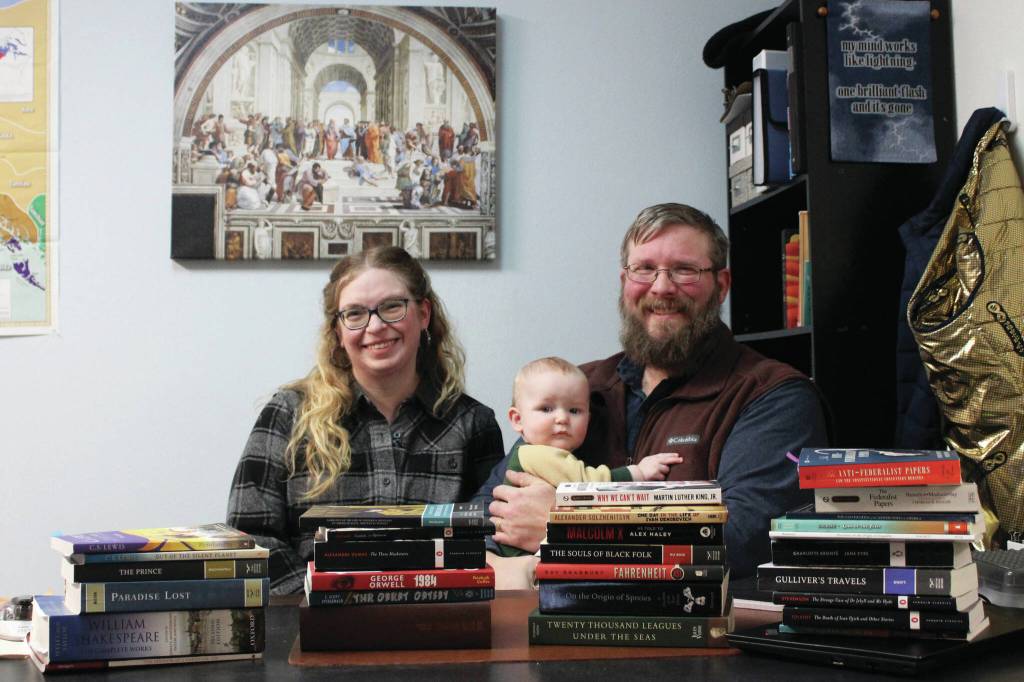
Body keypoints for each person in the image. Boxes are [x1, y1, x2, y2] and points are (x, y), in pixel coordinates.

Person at [478, 203, 827, 583]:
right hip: (555, 614)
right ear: (624, 282)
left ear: (722, 285)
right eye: (644, 269)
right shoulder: (580, 389)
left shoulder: (772, 396)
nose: (661, 287)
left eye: (684, 269)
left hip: (701, 620)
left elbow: (747, 539)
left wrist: (565, 525)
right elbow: (487, 512)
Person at [227, 247, 505, 594]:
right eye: (355, 313)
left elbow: (492, 539)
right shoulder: (288, 414)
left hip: (440, 617)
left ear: (423, 313)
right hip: (315, 621)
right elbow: (249, 539)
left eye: (392, 307)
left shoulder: (473, 423)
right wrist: (322, 601)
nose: (375, 326)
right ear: (338, 331)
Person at [493, 357, 681, 556]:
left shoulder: (538, 451)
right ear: (517, 419)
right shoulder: (536, 453)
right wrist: (637, 473)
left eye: (574, 410)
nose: (562, 418)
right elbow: (585, 484)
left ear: (588, 419)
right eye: (546, 409)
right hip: (522, 558)